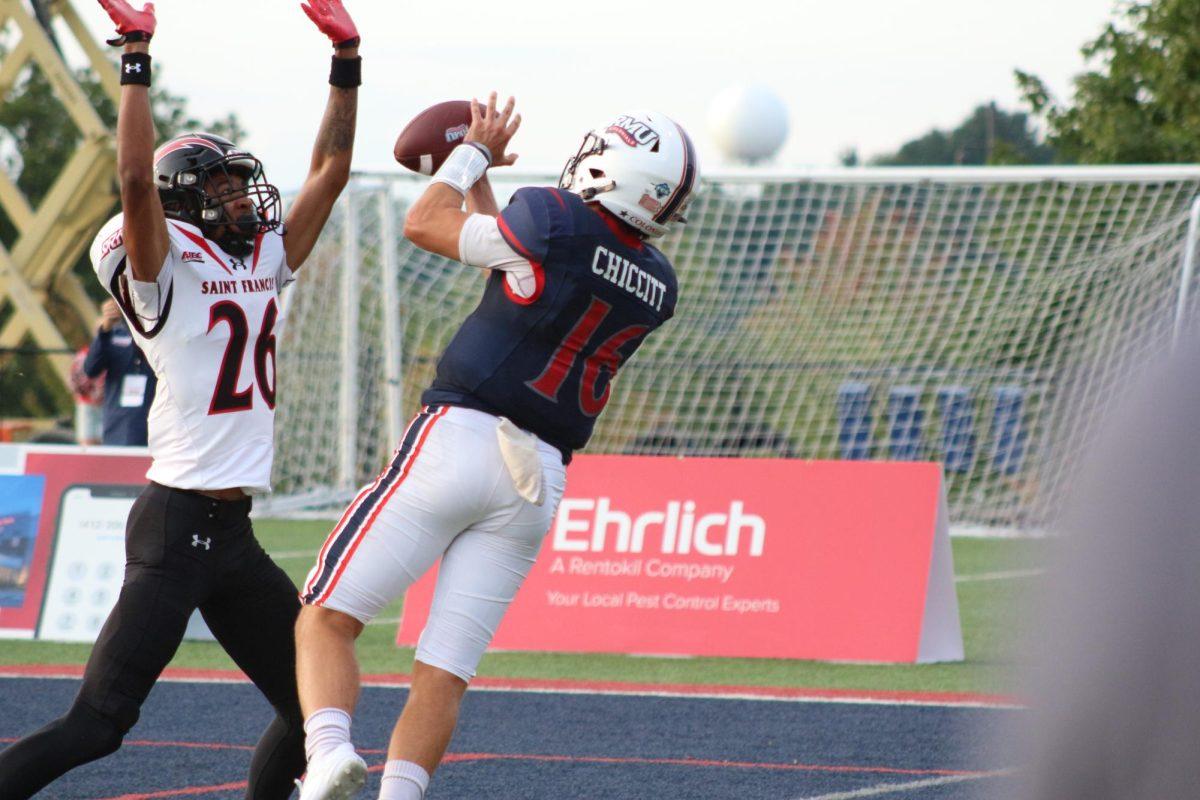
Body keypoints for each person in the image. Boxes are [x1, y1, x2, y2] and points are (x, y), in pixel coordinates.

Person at [0, 0, 361, 797]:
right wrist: (135, 53)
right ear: (184, 202)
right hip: (175, 525)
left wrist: (346, 56)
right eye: (222, 186)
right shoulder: (163, 272)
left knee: (312, 710)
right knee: (98, 725)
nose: (241, 198)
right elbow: (133, 179)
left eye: (240, 183)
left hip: (230, 530)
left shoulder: (261, 255)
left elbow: (330, 172)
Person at [292, 96, 698, 800]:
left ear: (608, 164)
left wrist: (471, 153)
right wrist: (487, 191)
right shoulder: (657, 284)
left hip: (460, 437)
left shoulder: (551, 215)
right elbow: (517, 267)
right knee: (444, 669)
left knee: (326, 616)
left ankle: (327, 753)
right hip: (536, 481)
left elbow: (427, 223)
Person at [82, 298, 157, 446]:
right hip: (118, 427)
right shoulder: (114, 333)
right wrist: (105, 328)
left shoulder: (164, 333)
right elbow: (90, 369)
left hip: (154, 426)